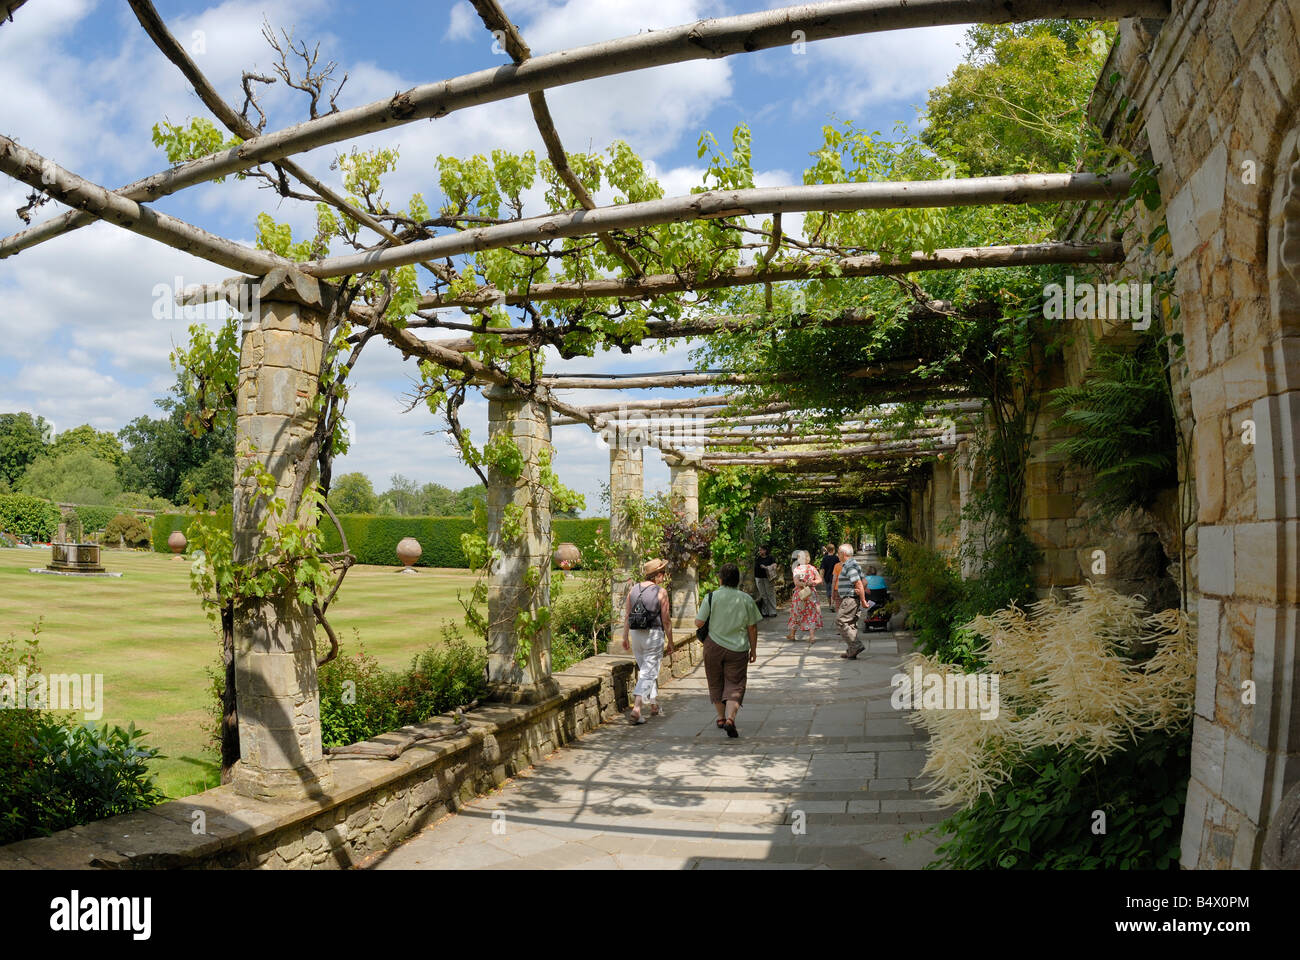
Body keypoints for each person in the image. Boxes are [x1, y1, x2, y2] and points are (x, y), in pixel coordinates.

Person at [695, 562, 761, 738]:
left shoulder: (711, 597)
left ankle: (721, 718)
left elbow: (699, 623)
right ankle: (731, 719)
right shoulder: (746, 599)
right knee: (735, 683)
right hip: (737, 648)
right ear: (737, 579)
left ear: (721, 578)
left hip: (713, 646)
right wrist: (753, 650)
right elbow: (752, 627)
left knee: (715, 681)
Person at [622, 558, 674, 724]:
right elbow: (666, 620)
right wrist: (670, 641)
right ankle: (637, 708)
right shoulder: (661, 592)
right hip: (654, 634)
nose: (664, 577)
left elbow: (628, 616)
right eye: (663, 574)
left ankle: (653, 705)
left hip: (636, 634)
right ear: (657, 575)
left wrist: (624, 637)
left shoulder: (633, 590)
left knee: (646, 669)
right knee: (648, 672)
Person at [834, 543, 868, 659]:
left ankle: (855, 645)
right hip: (853, 598)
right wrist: (860, 595)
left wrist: (863, 599)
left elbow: (859, 583)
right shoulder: (854, 564)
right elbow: (864, 582)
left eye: (838, 553)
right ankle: (852, 651)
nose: (837, 555)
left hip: (850, 599)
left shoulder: (849, 566)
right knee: (851, 624)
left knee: (841, 621)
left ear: (843, 554)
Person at [785, 549, 824, 643]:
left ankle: (792, 634)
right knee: (812, 614)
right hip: (811, 593)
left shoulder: (797, 569)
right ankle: (812, 636)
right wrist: (812, 583)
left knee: (797, 613)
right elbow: (819, 580)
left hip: (800, 594)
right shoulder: (812, 568)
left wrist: (804, 584)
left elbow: (796, 582)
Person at [753, 545, 779, 617]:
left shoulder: (770, 557)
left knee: (770, 594)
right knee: (763, 594)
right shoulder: (757, 558)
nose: (760, 551)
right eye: (759, 550)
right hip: (758, 577)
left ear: (765, 550)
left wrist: (767, 567)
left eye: (761, 550)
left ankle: (773, 611)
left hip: (768, 578)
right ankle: (765, 612)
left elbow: (774, 565)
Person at [819, 543, 838, 608]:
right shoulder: (836, 558)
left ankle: (830, 605)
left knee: (828, 592)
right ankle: (834, 604)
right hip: (836, 577)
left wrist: (821, 578)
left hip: (827, 578)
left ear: (827, 550)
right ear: (834, 550)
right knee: (835, 591)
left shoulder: (825, 558)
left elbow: (822, 569)